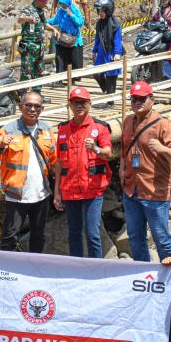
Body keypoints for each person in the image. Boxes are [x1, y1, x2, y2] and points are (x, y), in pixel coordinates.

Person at [120, 81, 171, 262]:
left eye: (141, 98)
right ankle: (143, 278)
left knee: (162, 239)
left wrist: (162, 149)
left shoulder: (164, 125)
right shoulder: (128, 121)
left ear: (152, 100)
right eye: (134, 99)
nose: (137, 102)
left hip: (155, 192)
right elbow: (124, 150)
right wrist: (122, 170)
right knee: (135, 237)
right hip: (131, 189)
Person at [0, 91, 56, 253]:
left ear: (42, 109)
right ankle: (7, 272)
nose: (32, 109)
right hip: (16, 195)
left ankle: (34, 270)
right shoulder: (8, 130)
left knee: (38, 235)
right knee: (10, 236)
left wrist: (58, 190)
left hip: (41, 194)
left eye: (37, 106)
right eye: (28, 105)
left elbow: (55, 162)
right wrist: (1, 146)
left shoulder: (46, 130)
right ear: (20, 107)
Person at [54, 87, 113, 259]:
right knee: (73, 233)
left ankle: (96, 269)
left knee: (92, 233)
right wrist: (57, 191)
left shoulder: (100, 127)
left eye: (83, 102)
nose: (79, 105)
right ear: (70, 105)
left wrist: (95, 148)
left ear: (90, 104)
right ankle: (76, 268)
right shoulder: (63, 129)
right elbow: (59, 161)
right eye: (75, 102)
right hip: (70, 190)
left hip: (93, 190)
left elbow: (108, 154)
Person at [18, 0, 57, 98]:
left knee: (39, 71)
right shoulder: (28, 10)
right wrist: (27, 19)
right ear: (37, 0)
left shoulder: (41, 11)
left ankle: (37, 94)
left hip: (39, 47)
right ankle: (23, 95)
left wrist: (53, 29)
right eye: (44, 2)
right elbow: (20, 19)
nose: (45, 4)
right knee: (26, 71)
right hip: (28, 47)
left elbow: (44, 24)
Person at [92, 0, 123, 105]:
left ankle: (110, 101)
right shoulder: (99, 23)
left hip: (111, 52)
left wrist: (118, 53)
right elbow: (97, 38)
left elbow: (118, 40)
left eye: (102, 11)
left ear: (108, 10)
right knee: (96, 73)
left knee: (111, 77)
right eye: (98, 11)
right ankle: (107, 91)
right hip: (101, 52)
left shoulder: (116, 24)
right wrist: (94, 51)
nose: (100, 13)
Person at [48, 0, 85, 74]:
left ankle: (75, 80)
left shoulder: (75, 10)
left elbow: (80, 22)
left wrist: (71, 15)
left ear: (68, 2)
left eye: (64, 4)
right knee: (61, 59)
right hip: (63, 39)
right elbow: (55, 20)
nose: (63, 5)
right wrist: (45, 21)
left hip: (74, 41)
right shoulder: (60, 11)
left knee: (75, 62)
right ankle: (61, 78)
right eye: (61, 3)